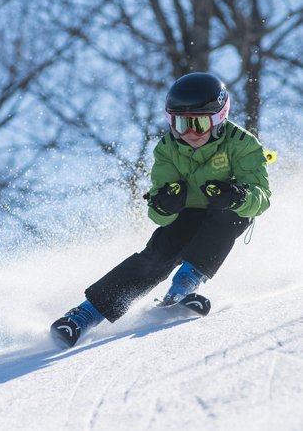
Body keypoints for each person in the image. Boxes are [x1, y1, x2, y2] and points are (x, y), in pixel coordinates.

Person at [50, 72, 271, 347]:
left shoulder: (243, 143)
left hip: (225, 211)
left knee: (230, 215)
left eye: (199, 124)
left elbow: (262, 198)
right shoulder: (167, 148)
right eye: (179, 124)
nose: (189, 133)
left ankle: (184, 286)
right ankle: (85, 315)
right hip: (187, 214)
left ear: (218, 119)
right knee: (159, 254)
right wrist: (165, 204)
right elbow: (157, 213)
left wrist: (236, 195)